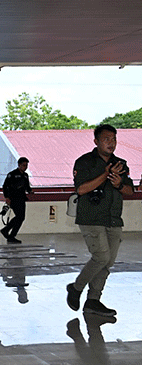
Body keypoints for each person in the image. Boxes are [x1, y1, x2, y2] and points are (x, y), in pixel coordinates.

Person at [66, 124, 133, 318]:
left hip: (113, 218)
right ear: (96, 141)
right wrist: (105, 175)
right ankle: (76, 288)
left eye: (113, 139)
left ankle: (93, 301)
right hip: (91, 218)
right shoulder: (84, 162)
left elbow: (130, 190)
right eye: (106, 139)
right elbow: (81, 189)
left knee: (108, 262)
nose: (111, 143)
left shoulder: (121, 163)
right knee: (101, 256)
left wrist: (119, 184)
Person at [0, 157, 32, 244]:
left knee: (21, 217)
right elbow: (5, 186)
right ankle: (8, 233)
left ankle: (8, 233)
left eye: (26, 165)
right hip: (13, 198)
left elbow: (27, 187)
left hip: (22, 198)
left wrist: (30, 191)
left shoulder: (25, 175)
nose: (25, 167)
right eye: (23, 165)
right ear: (19, 165)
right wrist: (7, 197)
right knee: (19, 217)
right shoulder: (12, 174)